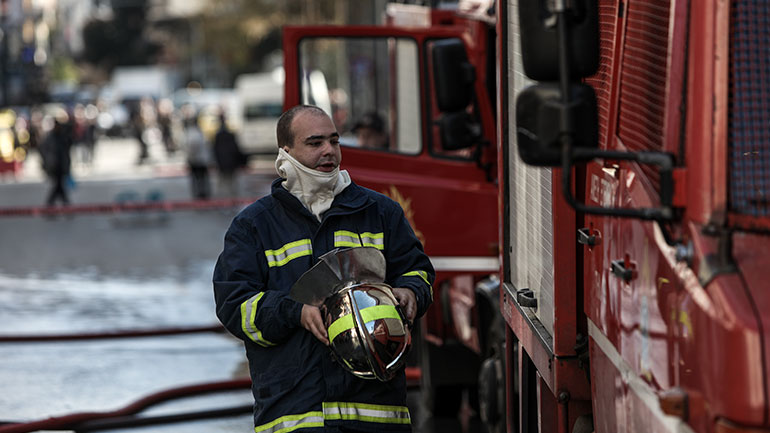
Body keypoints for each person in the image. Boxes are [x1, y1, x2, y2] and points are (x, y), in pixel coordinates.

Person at [213, 105, 434, 432]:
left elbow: (418, 271)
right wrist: (294, 313)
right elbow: (234, 307)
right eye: (315, 143)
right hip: (297, 414)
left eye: (334, 141)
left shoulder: (380, 212)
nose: (329, 150)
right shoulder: (254, 227)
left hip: (375, 412)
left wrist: (411, 291)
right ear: (286, 152)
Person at [40, 114, 73, 207]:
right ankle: (62, 205)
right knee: (58, 186)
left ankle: (55, 205)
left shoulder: (62, 137)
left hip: (61, 166)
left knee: (59, 186)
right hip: (54, 166)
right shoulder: (50, 138)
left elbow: (68, 147)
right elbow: (44, 150)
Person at [212, 113, 247, 197]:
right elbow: (236, 149)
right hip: (231, 162)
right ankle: (231, 197)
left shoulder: (218, 135)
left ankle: (225, 198)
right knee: (231, 183)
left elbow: (215, 150)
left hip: (223, 162)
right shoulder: (229, 135)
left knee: (224, 182)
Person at [182, 109, 211, 200]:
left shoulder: (192, 132)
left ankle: (200, 195)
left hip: (196, 161)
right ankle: (202, 194)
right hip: (201, 160)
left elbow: (193, 146)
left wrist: (190, 157)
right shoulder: (198, 132)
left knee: (198, 180)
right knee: (202, 179)